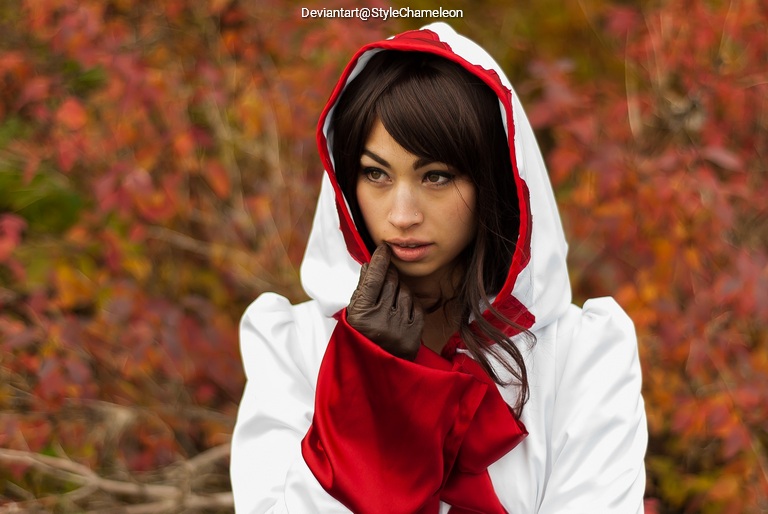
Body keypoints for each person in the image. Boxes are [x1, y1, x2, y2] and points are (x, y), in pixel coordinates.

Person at [231, 22, 647, 513]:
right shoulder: (295, 347)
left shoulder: (583, 355)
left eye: (436, 176)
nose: (402, 214)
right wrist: (369, 380)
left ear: (493, 180)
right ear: (346, 183)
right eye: (376, 174)